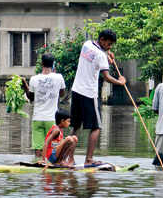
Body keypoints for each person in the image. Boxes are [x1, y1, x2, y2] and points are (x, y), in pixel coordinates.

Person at [71, 29, 126, 168]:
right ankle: (89, 160)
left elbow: (96, 55)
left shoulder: (87, 44)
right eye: (109, 44)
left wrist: (107, 54)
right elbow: (106, 77)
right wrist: (120, 82)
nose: (110, 47)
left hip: (76, 90)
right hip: (89, 93)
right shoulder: (101, 55)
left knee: (76, 126)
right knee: (96, 127)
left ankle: (68, 158)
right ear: (102, 40)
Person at [22, 53, 66, 158]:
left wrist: (25, 86)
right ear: (53, 64)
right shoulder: (59, 77)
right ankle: (51, 166)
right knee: (53, 147)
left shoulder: (33, 79)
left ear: (41, 64)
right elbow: (62, 93)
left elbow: (31, 97)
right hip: (52, 119)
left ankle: (38, 167)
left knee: (38, 148)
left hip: (37, 118)